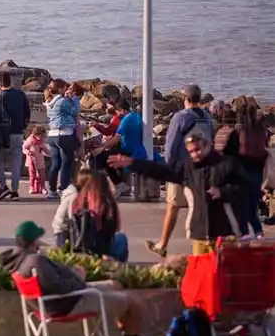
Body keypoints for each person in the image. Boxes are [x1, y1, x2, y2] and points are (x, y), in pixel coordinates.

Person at [0, 221, 159, 336]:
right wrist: (78, 277)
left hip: (62, 300)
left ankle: (128, 334)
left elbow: (55, 283)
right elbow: (61, 288)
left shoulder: (20, 262)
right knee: (134, 303)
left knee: (116, 285)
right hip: (70, 302)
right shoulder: (36, 261)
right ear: (33, 241)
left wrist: (73, 274)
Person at [110, 129, 247, 255]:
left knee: (222, 273)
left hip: (224, 233)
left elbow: (245, 189)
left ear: (207, 144)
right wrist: (132, 163)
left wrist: (222, 192)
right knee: (201, 273)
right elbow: (161, 171)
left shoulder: (227, 165)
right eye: (191, 152)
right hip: (199, 233)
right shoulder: (188, 169)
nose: (195, 154)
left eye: (197, 150)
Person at [145, 84, 212, 258]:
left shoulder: (181, 117)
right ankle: (204, 250)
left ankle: (163, 244)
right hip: (202, 169)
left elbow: (171, 146)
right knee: (198, 209)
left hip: (181, 169)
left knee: (172, 207)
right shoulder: (206, 117)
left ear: (186, 99)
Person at [219, 96, 268, 239]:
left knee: (242, 208)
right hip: (258, 171)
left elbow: (233, 151)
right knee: (252, 206)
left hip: (243, 171)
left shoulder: (239, 130)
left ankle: (245, 234)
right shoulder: (260, 128)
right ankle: (259, 233)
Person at [89, 99, 146, 195]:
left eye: (117, 111)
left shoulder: (125, 121)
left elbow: (116, 139)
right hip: (138, 149)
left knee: (98, 157)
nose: (117, 113)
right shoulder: (137, 117)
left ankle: (98, 188)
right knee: (108, 160)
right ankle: (119, 184)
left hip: (128, 150)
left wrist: (101, 148)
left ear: (122, 110)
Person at [0, 73, 32, 200]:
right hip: (18, 133)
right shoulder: (20, 95)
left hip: (2, 135)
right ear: (10, 82)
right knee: (16, 163)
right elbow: (27, 113)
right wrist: (23, 126)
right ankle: (15, 191)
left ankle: (3, 186)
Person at [44, 79, 79, 199]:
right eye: (65, 87)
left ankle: (52, 190)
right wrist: (74, 99)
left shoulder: (49, 101)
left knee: (55, 164)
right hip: (64, 134)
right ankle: (63, 189)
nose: (66, 89)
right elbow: (74, 111)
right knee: (66, 163)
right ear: (60, 89)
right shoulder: (63, 101)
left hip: (52, 135)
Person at [22, 124, 50, 195]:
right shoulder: (30, 140)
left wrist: (49, 153)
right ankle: (31, 187)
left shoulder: (41, 142)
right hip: (31, 160)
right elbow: (24, 148)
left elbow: (45, 150)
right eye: (40, 135)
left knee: (42, 175)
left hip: (40, 160)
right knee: (32, 175)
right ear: (35, 134)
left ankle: (43, 187)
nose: (41, 137)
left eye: (42, 136)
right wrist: (28, 152)